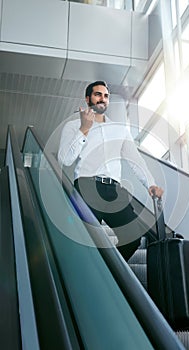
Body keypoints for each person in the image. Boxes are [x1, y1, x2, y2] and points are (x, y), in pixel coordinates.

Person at [58, 81, 163, 260]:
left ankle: (110, 272)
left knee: (133, 237)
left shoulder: (120, 129)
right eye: (98, 94)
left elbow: (135, 160)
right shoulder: (74, 126)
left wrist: (150, 183)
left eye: (106, 96)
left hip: (114, 190)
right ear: (87, 98)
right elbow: (64, 159)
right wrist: (84, 129)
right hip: (86, 187)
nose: (103, 99)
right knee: (86, 241)